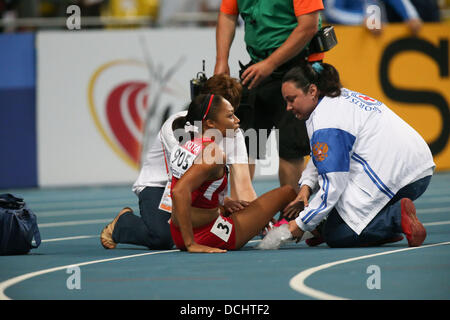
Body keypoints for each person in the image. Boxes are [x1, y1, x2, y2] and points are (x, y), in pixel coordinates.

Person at [277, 62, 435, 248]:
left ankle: (394, 219)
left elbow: (333, 184)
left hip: (397, 177)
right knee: (337, 213)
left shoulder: (326, 120)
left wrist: (302, 223)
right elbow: (322, 155)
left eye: (291, 99)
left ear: (312, 91)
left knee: (338, 233)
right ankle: (371, 231)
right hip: (419, 170)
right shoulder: (336, 99)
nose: (288, 107)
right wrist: (307, 187)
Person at [100, 74, 257, 250]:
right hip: (161, 186)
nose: (234, 119)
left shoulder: (234, 133)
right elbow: (182, 184)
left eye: (231, 111)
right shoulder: (177, 126)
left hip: (194, 191)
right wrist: (219, 206)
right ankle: (124, 224)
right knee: (163, 238)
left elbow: (243, 182)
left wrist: (257, 216)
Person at [214, 0, 325, 219]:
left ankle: (291, 216)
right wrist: (221, 60)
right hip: (257, 68)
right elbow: (227, 15)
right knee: (245, 145)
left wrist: (270, 63)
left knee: (290, 149)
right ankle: (242, 213)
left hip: (297, 68)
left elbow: (309, 26)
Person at [169, 93, 297, 253]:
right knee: (288, 192)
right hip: (207, 233)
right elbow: (179, 191)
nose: (237, 120)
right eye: (230, 116)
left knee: (244, 207)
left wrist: (224, 203)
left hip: (179, 231)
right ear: (210, 123)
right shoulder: (213, 154)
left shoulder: (186, 143)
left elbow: (196, 192)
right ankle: (293, 229)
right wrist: (191, 244)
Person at [322, 0, 424, 36]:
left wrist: (411, 17)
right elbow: (331, 11)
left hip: (381, 36)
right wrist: (361, 20)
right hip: (350, 39)